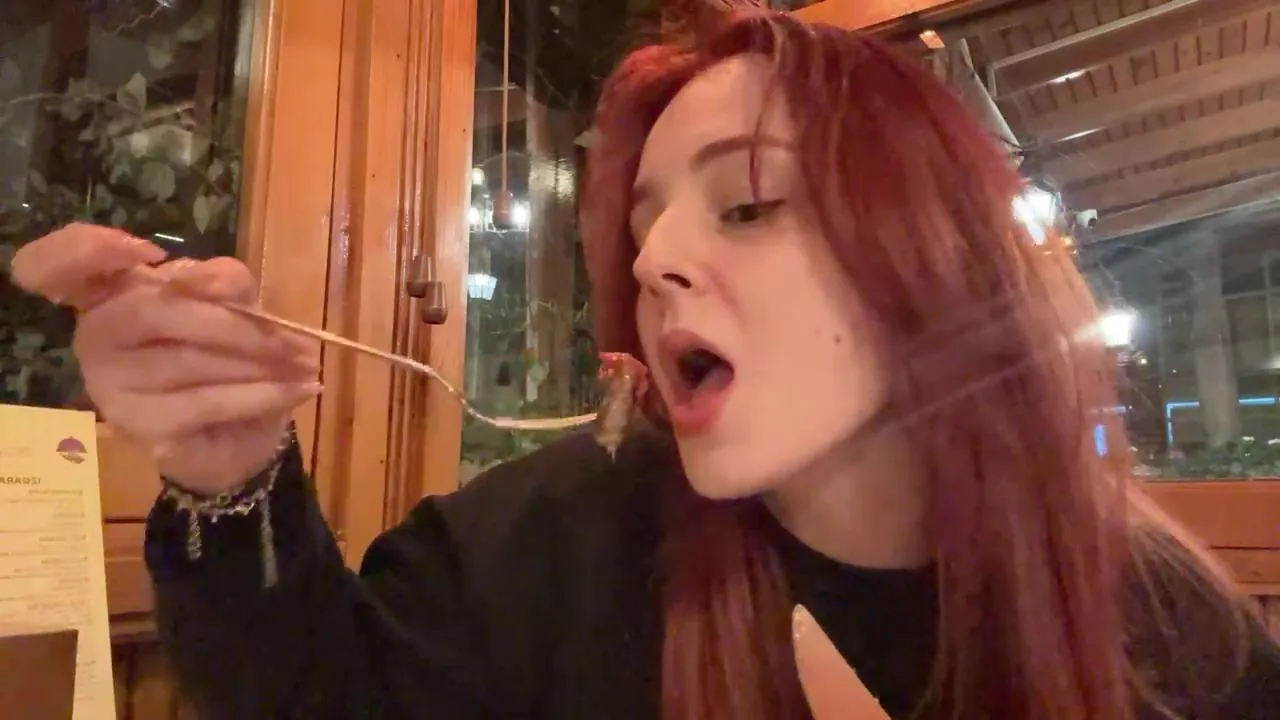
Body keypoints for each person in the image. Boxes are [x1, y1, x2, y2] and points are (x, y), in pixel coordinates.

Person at [12, 12, 1280, 720]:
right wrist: (227, 471)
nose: (657, 258)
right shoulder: (557, 539)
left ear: (938, 257)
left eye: (746, 204)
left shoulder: (1167, 631)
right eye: (642, 227)